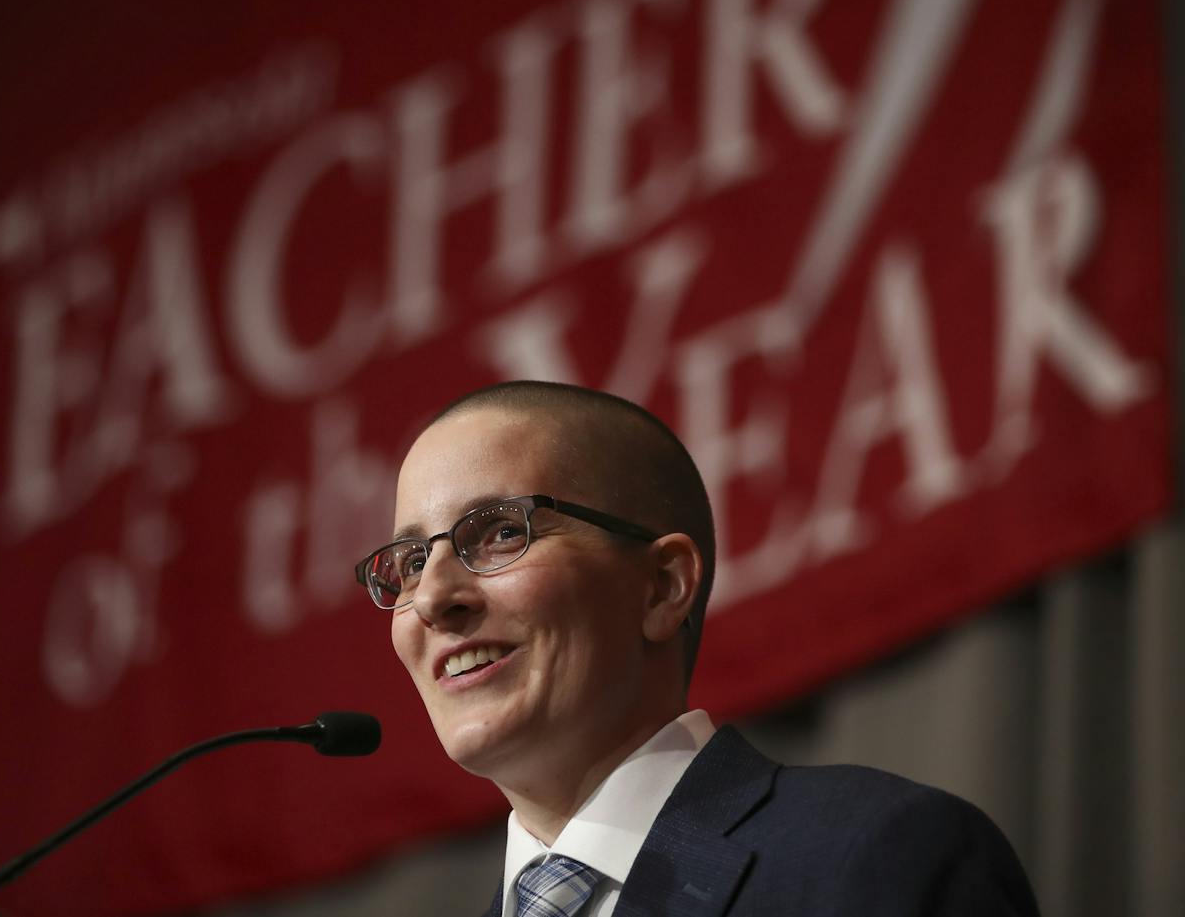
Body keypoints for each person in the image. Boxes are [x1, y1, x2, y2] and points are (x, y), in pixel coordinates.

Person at [354, 380, 1039, 916]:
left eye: (500, 531)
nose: (435, 596)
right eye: (410, 562)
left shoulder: (877, 862)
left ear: (661, 587)